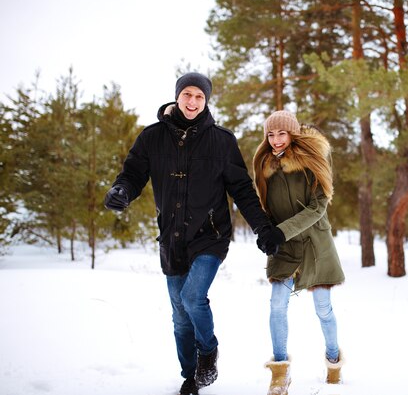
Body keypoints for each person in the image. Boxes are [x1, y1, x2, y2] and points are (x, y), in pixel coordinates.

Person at [103, 72, 284, 395]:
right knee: (180, 317)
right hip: (171, 239)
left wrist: (263, 228)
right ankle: (191, 376)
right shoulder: (152, 137)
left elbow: (242, 189)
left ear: (206, 101)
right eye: (187, 94)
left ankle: (208, 351)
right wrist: (121, 192)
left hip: (210, 235)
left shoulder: (221, 141)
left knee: (191, 297)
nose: (192, 101)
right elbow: (132, 174)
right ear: (177, 96)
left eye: (199, 97)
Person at [252, 110, 346, 395]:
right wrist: (267, 232)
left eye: (282, 133)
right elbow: (264, 206)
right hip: (284, 245)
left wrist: (280, 231)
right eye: (271, 134)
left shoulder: (312, 160)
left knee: (323, 307)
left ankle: (333, 360)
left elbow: (318, 207)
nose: (276, 140)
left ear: (293, 133)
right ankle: (280, 371)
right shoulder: (264, 163)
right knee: (277, 305)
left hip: (315, 243)